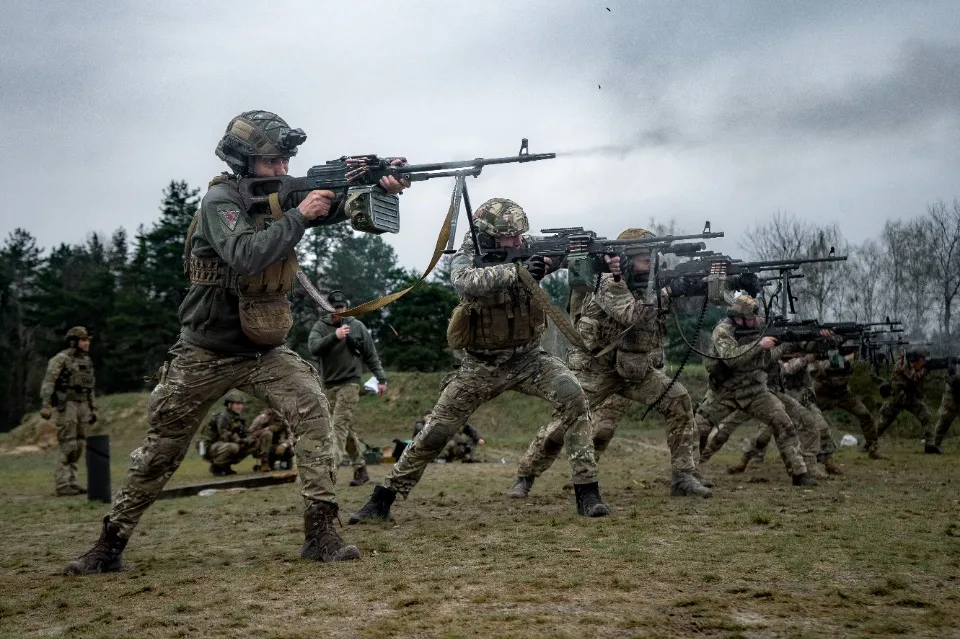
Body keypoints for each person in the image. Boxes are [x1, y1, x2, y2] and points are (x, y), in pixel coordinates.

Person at [64, 110, 409, 575]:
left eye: (287, 159)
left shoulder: (278, 198)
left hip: (263, 350)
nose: (283, 169)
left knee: (313, 414)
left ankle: (321, 532)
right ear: (243, 160)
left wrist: (373, 190)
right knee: (162, 451)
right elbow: (246, 255)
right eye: (272, 161)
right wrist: (302, 216)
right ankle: (109, 542)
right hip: (204, 351)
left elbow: (331, 210)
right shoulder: (220, 201)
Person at [349, 198, 610, 524]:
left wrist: (595, 259)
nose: (518, 242)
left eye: (519, 236)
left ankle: (587, 490)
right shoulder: (467, 256)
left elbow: (564, 259)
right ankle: (384, 497)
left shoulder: (525, 247)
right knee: (436, 433)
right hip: (480, 366)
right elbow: (464, 281)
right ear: (488, 236)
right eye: (510, 237)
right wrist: (519, 271)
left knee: (573, 396)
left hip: (529, 359)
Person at [521, 228, 711, 498]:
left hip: (634, 369)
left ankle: (683, 476)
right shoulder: (608, 282)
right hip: (595, 369)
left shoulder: (648, 285)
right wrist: (669, 292)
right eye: (646, 259)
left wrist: (691, 285)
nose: (651, 266)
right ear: (628, 260)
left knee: (679, 400)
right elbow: (632, 315)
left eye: (653, 259)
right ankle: (526, 475)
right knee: (560, 427)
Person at [694, 295, 817, 486]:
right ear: (738, 318)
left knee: (782, 421)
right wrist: (759, 345)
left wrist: (786, 343)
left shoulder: (758, 330)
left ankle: (799, 473)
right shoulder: (723, 330)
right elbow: (731, 358)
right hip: (725, 391)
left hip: (755, 390)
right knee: (698, 428)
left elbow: (767, 360)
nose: (757, 321)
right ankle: (690, 473)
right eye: (752, 318)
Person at [308, 289, 387, 487]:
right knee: (344, 428)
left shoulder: (358, 327)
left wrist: (381, 379)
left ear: (347, 307)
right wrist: (334, 336)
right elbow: (313, 347)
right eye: (335, 308)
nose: (339, 311)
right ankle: (360, 468)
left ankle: (329, 472)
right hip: (329, 385)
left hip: (350, 384)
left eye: (342, 308)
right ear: (328, 309)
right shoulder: (321, 326)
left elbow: (371, 355)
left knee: (338, 426)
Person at [40, 326, 97, 496]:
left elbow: (90, 386)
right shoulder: (60, 359)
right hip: (67, 405)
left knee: (79, 445)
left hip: (83, 405)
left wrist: (93, 408)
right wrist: (46, 404)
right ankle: (62, 483)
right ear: (74, 342)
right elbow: (49, 382)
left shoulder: (87, 361)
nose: (87, 343)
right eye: (83, 340)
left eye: (87, 340)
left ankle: (73, 482)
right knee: (68, 444)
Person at [811, 351, 881, 459]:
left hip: (843, 395)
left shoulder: (847, 365)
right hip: (824, 396)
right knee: (809, 418)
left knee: (865, 414)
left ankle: (872, 447)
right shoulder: (821, 368)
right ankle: (807, 449)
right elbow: (814, 371)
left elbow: (857, 361)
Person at [875, 349, 934, 456]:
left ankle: (929, 445)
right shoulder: (903, 364)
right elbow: (914, 378)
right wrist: (925, 370)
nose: (924, 361)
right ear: (915, 359)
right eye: (922, 359)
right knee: (883, 422)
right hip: (898, 398)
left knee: (926, 416)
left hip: (909, 396)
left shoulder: (912, 363)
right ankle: (869, 442)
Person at [204, 393, 256, 475]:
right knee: (233, 447)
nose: (240, 406)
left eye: (241, 404)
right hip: (209, 447)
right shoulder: (223, 416)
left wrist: (249, 439)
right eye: (237, 404)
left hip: (223, 445)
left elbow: (248, 433)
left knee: (252, 446)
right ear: (229, 405)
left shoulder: (239, 418)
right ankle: (216, 466)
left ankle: (225, 466)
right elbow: (225, 435)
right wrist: (239, 440)